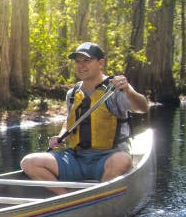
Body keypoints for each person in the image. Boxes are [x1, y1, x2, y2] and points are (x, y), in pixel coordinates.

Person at [20, 42, 149, 190]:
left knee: (122, 160)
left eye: (87, 60)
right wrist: (61, 136)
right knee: (28, 162)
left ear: (101, 63)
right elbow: (70, 120)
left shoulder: (116, 89)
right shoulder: (73, 93)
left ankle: (99, 200)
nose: (81, 65)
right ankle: (65, 200)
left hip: (108, 156)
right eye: (78, 61)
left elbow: (143, 108)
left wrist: (128, 91)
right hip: (76, 158)